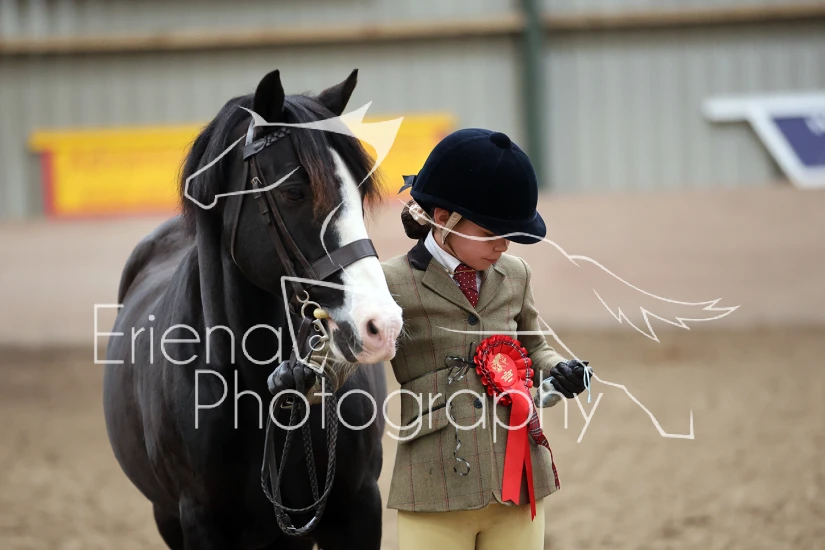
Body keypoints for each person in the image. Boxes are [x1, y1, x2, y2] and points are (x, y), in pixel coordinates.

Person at [273, 128, 592, 549]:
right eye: (491, 232)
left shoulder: (516, 275)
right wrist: (306, 379)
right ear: (443, 218)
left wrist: (561, 370)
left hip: (518, 477)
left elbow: (534, 347)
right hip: (435, 482)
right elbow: (343, 355)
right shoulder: (389, 282)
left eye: (510, 235)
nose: (503, 245)